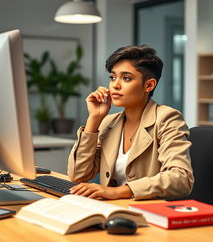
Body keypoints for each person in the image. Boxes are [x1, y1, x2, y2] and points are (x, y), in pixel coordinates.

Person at [68, 45, 194, 200]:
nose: (115, 85)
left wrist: (117, 192)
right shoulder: (108, 122)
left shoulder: (167, 118)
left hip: (149, 213)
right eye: (113, 77)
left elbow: (181, 179)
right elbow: (78, 175)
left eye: (126, 78)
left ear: (149, 85)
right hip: (112, 209)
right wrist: (94, 119)